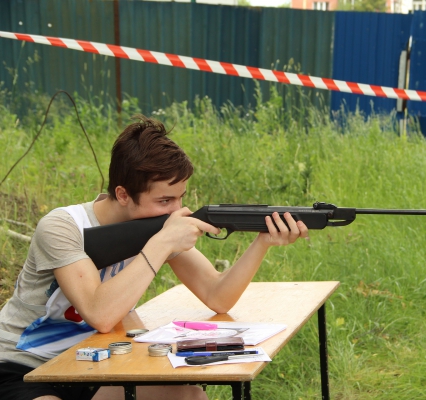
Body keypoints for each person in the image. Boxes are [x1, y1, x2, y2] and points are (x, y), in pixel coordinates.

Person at [0, 114, 309, 400]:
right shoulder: (61, 227)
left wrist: (262, 243)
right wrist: (161, 244)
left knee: (190, 396)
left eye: (180, 198)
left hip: (94, 363)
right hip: (22, 367)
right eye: (164, 200)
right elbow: (101, 314)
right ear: (122, 194)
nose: (176, 210)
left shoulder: (156, 226)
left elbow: (218, 296)